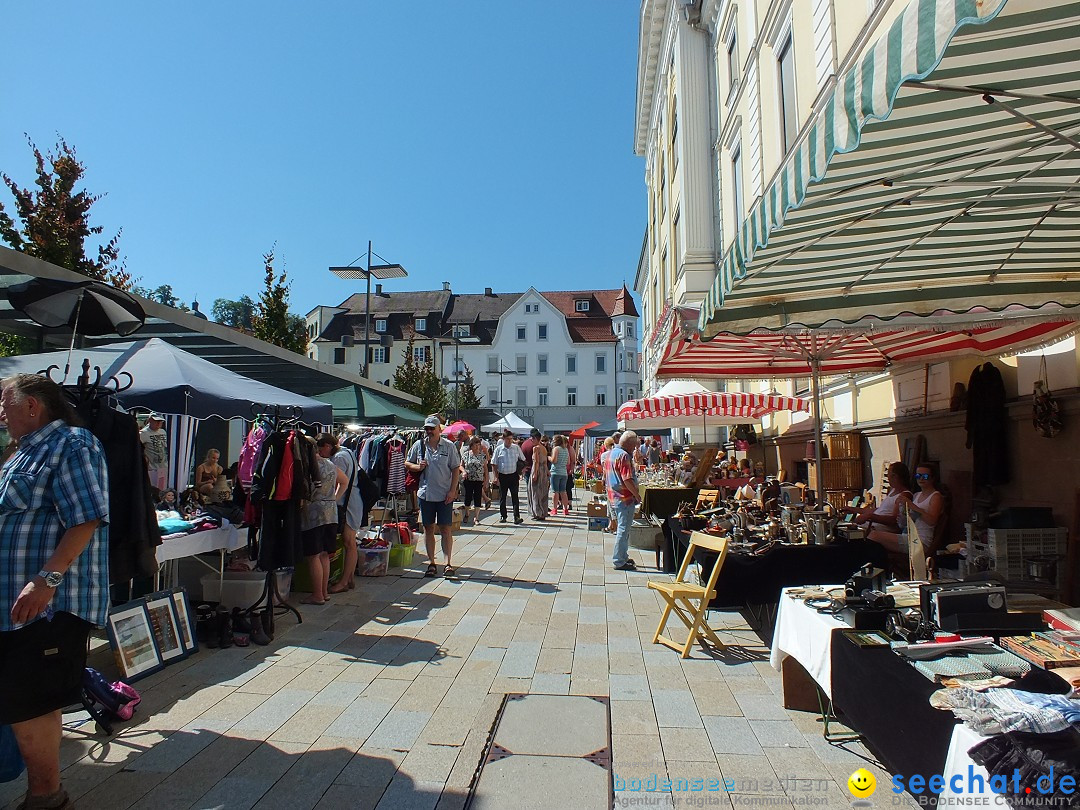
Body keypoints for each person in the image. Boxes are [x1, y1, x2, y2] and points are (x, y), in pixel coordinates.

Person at [0, 374, 110, 810]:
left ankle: (46, 796)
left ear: (32, 406)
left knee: (32, 700)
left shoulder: (73, 444)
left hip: (48, 602)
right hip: (16, 601)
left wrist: (48, 580)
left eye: (4, 403)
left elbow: (85, 518)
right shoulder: (21, 452)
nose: (0, 413)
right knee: (20, 695)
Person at [406, 415, 462, 577]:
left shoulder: (449, 446)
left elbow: (455, 469)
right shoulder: (419, 445)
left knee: (445, 528)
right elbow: (407, 463)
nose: (429, 431)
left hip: (445, 494)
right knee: (428, 528)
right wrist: (417, 467)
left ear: (439, 429)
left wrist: (453, 490)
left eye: (432, 428)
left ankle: (447, 563)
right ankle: (431, 562)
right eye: (427, 428)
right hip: (426, 493)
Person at [300, 436, 349, 605]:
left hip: (314, 512)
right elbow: (344, 481)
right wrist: (334, 499)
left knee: (313, 555)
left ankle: (317, 595)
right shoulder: (330, 464)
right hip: (330, 512)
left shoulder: (308, 466)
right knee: (324, 555)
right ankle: (324, 592)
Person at [869, 464, 945, 554]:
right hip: (908, 535)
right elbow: (906, 522)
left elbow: (932, 520)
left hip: (920, 541)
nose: (921, 479)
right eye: (918, 476)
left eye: (925, 476)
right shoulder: (917, 495)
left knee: (874, 536)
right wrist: (903, 511)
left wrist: (912, 506)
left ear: (933, 478)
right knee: (872, 535)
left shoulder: (935, 496)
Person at [322, 434, 362, 593]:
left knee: (349, 542)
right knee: (349, 542)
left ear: (327, 446)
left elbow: (339, 481)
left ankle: (344, 582)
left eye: (320, 449)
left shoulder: (338, 458)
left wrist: (333, 499)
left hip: (348, 502)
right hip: (352, 500)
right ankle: (349, 578)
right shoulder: (347, 452)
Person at [606, 431, 642, 571]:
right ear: (630, 445)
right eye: (634, 446)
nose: (634, 449)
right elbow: (627, 479)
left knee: (623, 528)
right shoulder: (624, 455)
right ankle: (619, 560)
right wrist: (637, 495)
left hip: (613, 496)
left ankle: (623, 556)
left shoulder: (611, 453)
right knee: (623, 529)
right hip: (624, 498)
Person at [844, 461, 913, 533]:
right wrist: (854, 509)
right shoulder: (893, 491)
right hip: (870, 527)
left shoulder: (904, 495)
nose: (888, 478)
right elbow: (879, 511)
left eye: (888, 474)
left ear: (894, 476)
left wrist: (869, 517)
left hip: (879, 531)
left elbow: (894, 521)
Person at [491, 430, 525, 524]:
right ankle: (503, 515)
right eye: (508, 439)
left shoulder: (516, 448)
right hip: (503, 476)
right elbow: (494, 463)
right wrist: (495, 477)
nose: (510, 441)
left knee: (515, 496)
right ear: (504, 439)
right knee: (503, 497)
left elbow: (523, 459)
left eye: (511, 439)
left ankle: (516, 516)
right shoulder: (499, 449)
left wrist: (521, 470)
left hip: (513, 475)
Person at [460, 436, 489, 526]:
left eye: (478, 445)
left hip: (478, 480)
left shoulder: (482, 456)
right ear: (471, 446)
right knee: (468, 498)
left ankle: (476, 518)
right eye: (475, 445)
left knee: (477, 498)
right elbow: (461, 465)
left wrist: (487, 480)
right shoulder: (466, 454)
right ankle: (467, 513)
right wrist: (464, 471)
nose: (477, 447)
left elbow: (485, 468)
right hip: (468, 479)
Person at [140, 412, 168, 491]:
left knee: (163, 490)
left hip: (163, 467)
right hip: (151, 469)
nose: (159, 423)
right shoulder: (143, 433)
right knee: (153, 490)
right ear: (150, 420)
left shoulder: (163, 432)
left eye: (161, 421)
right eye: (156, 421)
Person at [527, 434, 550, 521]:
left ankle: (538, 513)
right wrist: (547, 471)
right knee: (543, 491)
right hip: (543, 470)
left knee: (535, 491)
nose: (531, 440)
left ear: (536, 439)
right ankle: (543, 512)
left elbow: (536, 461)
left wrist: (535, 473)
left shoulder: (536, 448)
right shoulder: (544, 448)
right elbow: (545, 462)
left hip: (537, 469)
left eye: (532, 439)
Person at [549, 435, 570, 516]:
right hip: (564, 473)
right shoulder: (566, 450)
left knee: (555, 491)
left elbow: (554, 460)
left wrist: (549, 458)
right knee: (563, 491)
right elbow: (568, 462)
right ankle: (565, 509)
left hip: (555, 472)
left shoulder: (556, 449)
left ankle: (554, 509)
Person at [599, 436, 617, 533]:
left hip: (609, 480)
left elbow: (605, 469)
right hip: (617, 480)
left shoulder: (604, 455)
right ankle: (611, 525)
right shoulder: (617, 453)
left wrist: (603, 479)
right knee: (611, 503)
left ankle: (615, 526)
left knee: (611, 503)